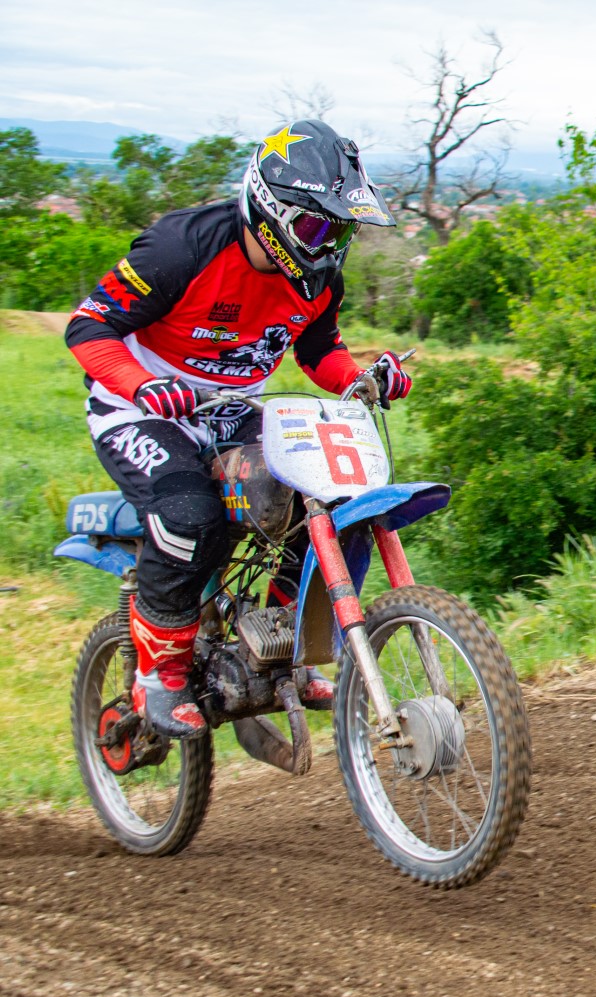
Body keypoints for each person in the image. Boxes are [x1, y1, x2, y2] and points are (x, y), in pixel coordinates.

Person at [65, 119, 412, 740]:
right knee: (189, 514)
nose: (328, 246)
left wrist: (363, 379)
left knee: (328, 499)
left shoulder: (319, 279)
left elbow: (318, 350)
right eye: (316, 229)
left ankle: (288, 649)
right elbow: (89, 327)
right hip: (140, 411)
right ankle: (160, 675)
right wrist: (141, 385)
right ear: (271, 210)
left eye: (340, 231)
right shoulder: (180, 249)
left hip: (232, 411)